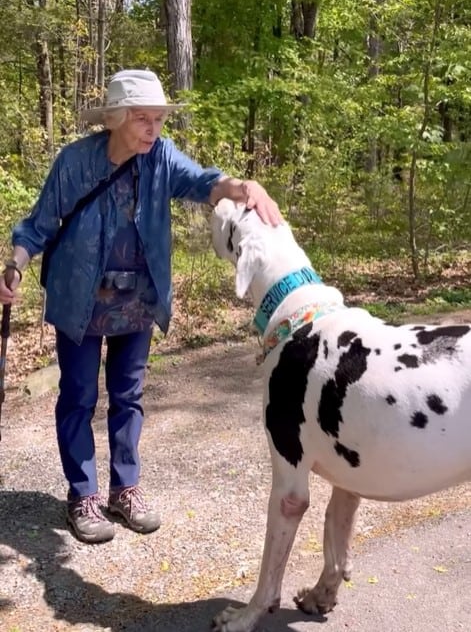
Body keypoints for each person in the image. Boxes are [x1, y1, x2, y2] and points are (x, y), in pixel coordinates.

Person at [0, 69, 282, 544]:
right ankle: (82, 493)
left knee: (128, 396)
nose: (154, 129)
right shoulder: (74, 162)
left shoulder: (162, 158)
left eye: (158, 119)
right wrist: (15, 265)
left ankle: (124, 489)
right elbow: (39, 223)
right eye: (143, 119)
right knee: (79, 396)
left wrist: (242, 186)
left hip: (138, 300)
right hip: (79, 299)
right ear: (114, 120)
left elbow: (204, 183)